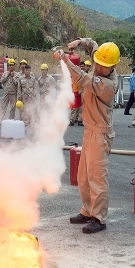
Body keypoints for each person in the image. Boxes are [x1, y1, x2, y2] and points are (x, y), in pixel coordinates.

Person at [58, 38, 119, 234]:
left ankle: (99, 218)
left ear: (113, 66)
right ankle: (87, 210)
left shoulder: (108, 84)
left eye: (103, 66)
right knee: (83, 176)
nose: (99, 68)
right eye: (98, 64)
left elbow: (84, 79)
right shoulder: (101, 61)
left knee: (97, 177)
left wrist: (65, 61)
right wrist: (79, 42)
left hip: (100, 134)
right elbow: (93, 45)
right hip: (89, 130)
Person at [69, 60, 91, 126]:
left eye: (83, 66)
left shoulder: (87, 75)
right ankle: (72, 120)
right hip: (76, 91)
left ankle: (80, 120)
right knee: (75, 106)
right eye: (81, 66)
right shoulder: (76, 74)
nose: (82, 67)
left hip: (84, 91)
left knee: (82, 107)